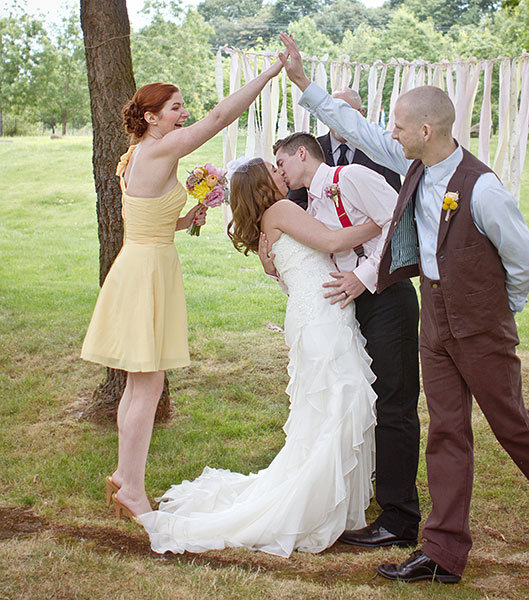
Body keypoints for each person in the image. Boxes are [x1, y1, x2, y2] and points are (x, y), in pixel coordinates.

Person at [278, 32, 529, 583]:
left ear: (425, 131)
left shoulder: (484, 188)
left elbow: (526, 264)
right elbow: (356, 128)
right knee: (446, 429)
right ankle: (443, 553)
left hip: (481, 320)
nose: (390, 133)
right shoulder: (413, 163)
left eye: (398, 126)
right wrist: (304, 82)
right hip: (434, 314)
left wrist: (497, 310)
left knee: (509, 421)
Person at [136, 157, 382, 557]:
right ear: (262, 183)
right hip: (321, 320)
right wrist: (383, 220)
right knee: (338, 403)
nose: (280, 173)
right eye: (274, 169)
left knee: (327, 408)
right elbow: (334, 243)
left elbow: (283, 268)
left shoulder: (271, 219)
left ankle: (329, 496)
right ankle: (313, 503)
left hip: (315, 315)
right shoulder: (282, 210)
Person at [80, 55, 287, 520]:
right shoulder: (159, 149)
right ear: (151, 117)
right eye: (175, 107)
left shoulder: (134, 155)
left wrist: (184, 219)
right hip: (147, 271)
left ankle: (124, 476)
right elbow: (219, 118)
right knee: (148, 383)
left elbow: (145, 218)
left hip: (142, 261)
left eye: (182, 107)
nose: (184, 114)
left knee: (141, 383)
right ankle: (131, 486)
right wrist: (269, 74)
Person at [261, 131, 422, 549]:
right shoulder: (310, 203)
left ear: (301, 154)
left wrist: (362, 278)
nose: (280, 171)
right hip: (351, 307)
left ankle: (400, 519)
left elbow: (400, 221)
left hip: (386, 296)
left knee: (394, 403)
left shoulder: (350, 177)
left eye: (282, 162)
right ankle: (378, 493)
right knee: (367, 399)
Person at [286, 87, 401, 210]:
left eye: (344, 115)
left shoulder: (378, 150)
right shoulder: (309, 150)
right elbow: (295, 201)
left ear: (361, 114)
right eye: (332, 115)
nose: (338, 121)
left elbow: (395, 199)